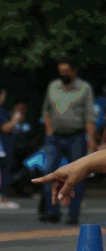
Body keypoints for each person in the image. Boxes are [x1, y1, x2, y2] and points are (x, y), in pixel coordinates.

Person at [40, 57, 96, 224]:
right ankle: (52, 211)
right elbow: (46, 111)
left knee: (77, 175)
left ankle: (73, 214)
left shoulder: (85, 88)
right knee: (49, 173)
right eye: (60, 72)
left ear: (74, 71)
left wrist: (91, 140)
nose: (63, 75)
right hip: (55, 137)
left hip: (76, 136)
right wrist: (49, 130)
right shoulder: (53, 86)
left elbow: (89, 116)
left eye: (66, 72)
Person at [0, 87, 26, 197]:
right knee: (1, 172)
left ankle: (1, 196)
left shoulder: (1, 110)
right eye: (3, 95)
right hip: (1, 147)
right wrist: (15, 119)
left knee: (4, 171)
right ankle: (1, 196)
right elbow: (5, 128)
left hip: (6, 146)